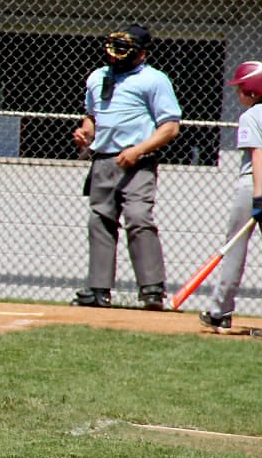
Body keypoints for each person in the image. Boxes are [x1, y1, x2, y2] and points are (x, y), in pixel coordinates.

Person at [71, 24, 181, 310]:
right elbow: (92, 118)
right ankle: (98, 289)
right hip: (104, 160)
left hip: (138, 163)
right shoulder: (98, 77)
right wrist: (85, 132)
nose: (117, 56)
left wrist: (138, 150)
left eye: (126, 50)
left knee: (138, 218)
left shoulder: (154, 80)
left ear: (142, 53)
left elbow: (170, 127)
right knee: (100, 221)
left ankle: (152, 290)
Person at [199, 61, 262, 337]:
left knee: (234, 247)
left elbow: (257, 156)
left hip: (256, 182)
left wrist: (256, 197)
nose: (238, 93)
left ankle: (220, 312)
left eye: (241, 88)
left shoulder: (251, 116)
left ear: (253, 91)